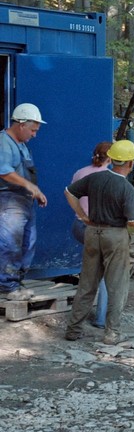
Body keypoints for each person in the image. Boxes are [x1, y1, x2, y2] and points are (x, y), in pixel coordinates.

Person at [64, 140, 134, 344]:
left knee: (87, 284)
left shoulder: (95, 178)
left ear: (112, 159)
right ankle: (111, 333)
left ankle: (73, 330)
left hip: (92, 232)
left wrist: (82, 215)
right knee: (116, 285)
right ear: (131, 163)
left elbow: (69, 192)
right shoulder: (127, 188)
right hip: (115, 235)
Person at [0, 103, 48, 300]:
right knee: (10, 244)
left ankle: (15, 282)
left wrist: (35, 192)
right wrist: (30, 186)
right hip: (9, 200)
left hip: (24, 201)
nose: (34, 135)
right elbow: (3, 170)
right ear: (21, 124)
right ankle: (7, 287)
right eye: (33, 130)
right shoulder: (4, 142)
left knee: (28, 243)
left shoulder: (21, 145)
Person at [69, 142, 112, 244]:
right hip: (98, 226)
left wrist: (81, 214)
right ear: (111, 157)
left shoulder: (79, 172)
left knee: (91, 255)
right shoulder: (109, 176)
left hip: (79, 224)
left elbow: (71, 194)